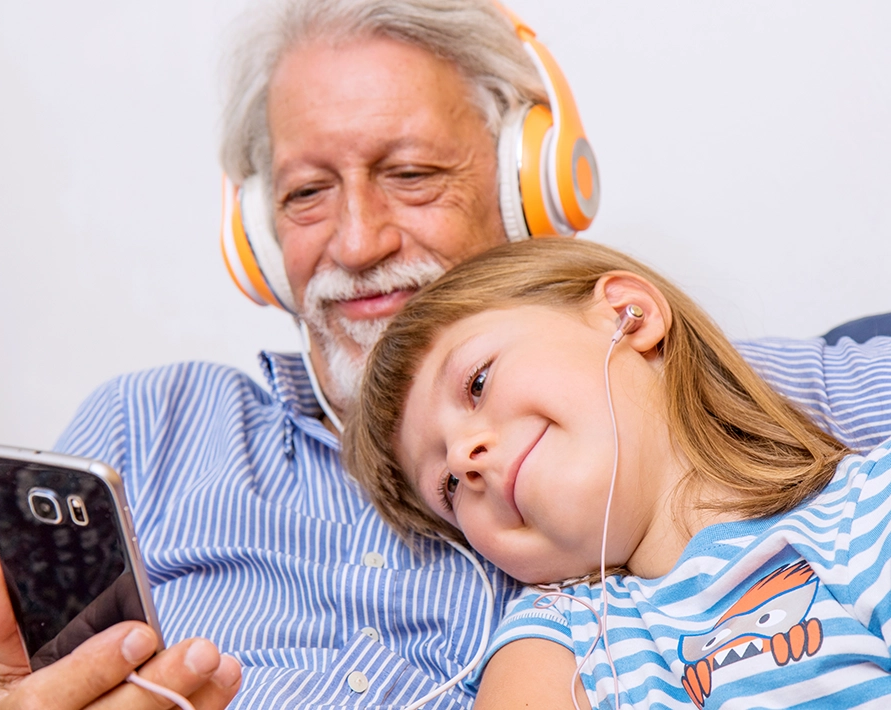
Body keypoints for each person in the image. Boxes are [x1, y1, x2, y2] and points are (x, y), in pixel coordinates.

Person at [0, 1, 889, 708]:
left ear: (529, 185)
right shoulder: (151, 424)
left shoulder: (681, 397)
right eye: (306, 193)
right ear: (257, 241)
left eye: (410, 173)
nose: (358, 240)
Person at [343, 236, 891, 709]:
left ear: (630, 315)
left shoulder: (869, 503)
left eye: (478, 383)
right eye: (448, 486)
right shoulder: (557, 645)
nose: (464, 457)